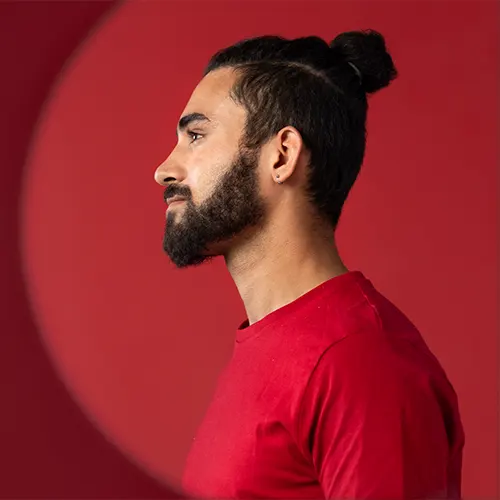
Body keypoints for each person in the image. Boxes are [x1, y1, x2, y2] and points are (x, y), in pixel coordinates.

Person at [154, 30, 464, 499]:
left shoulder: (361, 364)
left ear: (282, 155)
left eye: (196, 135)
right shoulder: (275, 344)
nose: (164, 170)